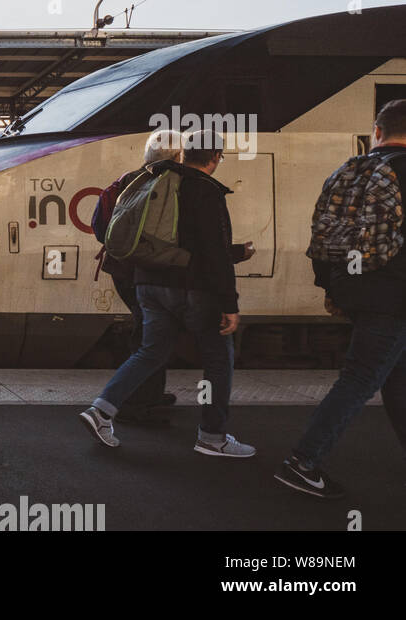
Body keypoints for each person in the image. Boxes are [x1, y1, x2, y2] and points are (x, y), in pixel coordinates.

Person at [79, 129, 256, 457]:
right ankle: (212, 437)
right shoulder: (206, 190)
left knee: (151, 351)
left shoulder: (151, 180)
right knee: (219, 358)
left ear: (184, 154)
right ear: (215, 158)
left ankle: (101, 411)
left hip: (148, 283)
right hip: (193, 289)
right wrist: (229, 302)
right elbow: (214, 253)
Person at [275, 99, 406, 499]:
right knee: (361, 378)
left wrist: (331, 287)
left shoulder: (347, 170)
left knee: (397, 378)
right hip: (393, 294)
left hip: (356, 288)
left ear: (377, 132)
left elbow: (319, 236)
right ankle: (303, 461)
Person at [92, 130, 185, 425]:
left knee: (150, 332)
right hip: (149, 271)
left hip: (121, 269)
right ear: (178, 156)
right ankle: (132, 402)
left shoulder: (126, 181)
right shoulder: (172, 185)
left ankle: (149, 394)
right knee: (151, 336)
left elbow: (98, 227)